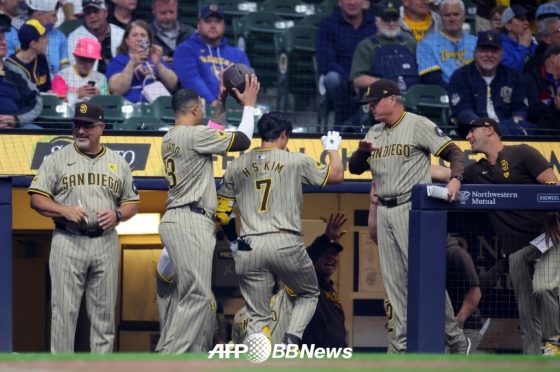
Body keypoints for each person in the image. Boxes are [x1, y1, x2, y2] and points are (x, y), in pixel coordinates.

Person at [348, 78, 468, 354]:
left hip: (411, 209)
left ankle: (455, 339)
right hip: (385, 210)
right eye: (368, 104)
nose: (370, 108)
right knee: (393, 284)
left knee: (426, 278)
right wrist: (360, 152)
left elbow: (454, 152)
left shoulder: (417, 124)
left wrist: (456, 179)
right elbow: (354, 169)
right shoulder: (374, 131)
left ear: (393, 99)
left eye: (374, 102)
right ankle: (400, 346)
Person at [216, 112, 344, 348]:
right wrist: (333, 149)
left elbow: (222, 213)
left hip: (248, 244)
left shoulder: (235, 165)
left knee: (257, 315)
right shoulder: (295, 160)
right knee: (308, 293)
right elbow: (337, 175)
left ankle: (260, 354)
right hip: (284, 241)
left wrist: (235, 244)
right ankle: (291, 340)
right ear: (284, 134)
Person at [157, 71, 260, 353]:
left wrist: (221, 102)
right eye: (201, 107)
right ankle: (168, 358)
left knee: (192, 293)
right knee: (197, 294)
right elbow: (241, 141)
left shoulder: (172, 136)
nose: (203, 111)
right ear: (193, 109)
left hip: (179, 217)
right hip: (190, 219)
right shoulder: (193, 135)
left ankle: (168, 353)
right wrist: (249, 105)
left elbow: (213, 130)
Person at [28, 101, 140, 353]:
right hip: (68, 239)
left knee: (104, 317)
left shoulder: (118, 162)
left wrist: (118, 214)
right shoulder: (56, 159)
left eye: (87, 126)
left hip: (106, 241)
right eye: (77, 125)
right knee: (63, 315)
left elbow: (132, 203)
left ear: (102, 127)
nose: (81, 131)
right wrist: (63, 210)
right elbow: (36, 199)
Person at [448, 117, 560, 356]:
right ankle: (532, 356)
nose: (467, 137)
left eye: (471, 131)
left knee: (544, 287)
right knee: (526, 309)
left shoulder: (522, 153)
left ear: (489, 130)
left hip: (549, 238)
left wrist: (553, 215)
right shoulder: (476, 171)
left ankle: (554, 344)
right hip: (517, 250)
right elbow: (442, 173)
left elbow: (552, 183)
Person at [230, 212, 349, 348]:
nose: (330, 258)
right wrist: (325, 238)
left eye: (334, 254)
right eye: (325, 253)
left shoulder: (331, 291)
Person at [448, 30, 534, 136]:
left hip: (508, 133)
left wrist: (508, 127)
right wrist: (487, 129)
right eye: (484, 50)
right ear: (475, 52)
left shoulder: (513, 76)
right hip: (475, 132)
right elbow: (464, 113)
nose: (489, 55)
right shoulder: (461, 76)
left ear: (501, 54)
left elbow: (520, 110)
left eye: (494, 51)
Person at [172, 4, 250, 106]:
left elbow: (247, 83)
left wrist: (233, 105)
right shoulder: (185, 49)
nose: (213, 25)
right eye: (208, 21)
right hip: (199, 109)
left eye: (217, 21)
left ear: (224, 26)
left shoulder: (238, 55)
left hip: (234, 110)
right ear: (198, 25)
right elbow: (191, 80)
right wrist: (213, 103)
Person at [316, 0, 376, 131]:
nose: (353, 2)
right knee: (331, 78)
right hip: (343, 83)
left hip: (370, 80)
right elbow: (326, 62)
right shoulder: (327, 25)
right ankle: (349, 124)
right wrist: (352, 80)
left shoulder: (375, 24)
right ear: (339, 1)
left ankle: (347, 126)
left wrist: (363, 81)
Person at [350, 2, 418, 93]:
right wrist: (384, 83)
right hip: (382, 96)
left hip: (414, 97)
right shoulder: (366, 45)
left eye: (395, 19)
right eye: (386, 20)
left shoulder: (410, 42)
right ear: (377, 22)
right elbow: (357, 79)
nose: (391, 23)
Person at [106, 20, 177, 103]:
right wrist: (132, 63)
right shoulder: (118, 60)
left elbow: (173, 84)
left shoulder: (156, 58)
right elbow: (117, 90)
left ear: (149, 40)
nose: (139, 39)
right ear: (127, 40)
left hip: (159, 106)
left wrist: (158, 64)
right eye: (134, 35)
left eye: (143, 35)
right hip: (129, 106)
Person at [417, 0, 477, 90]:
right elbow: (432, 80)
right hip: (445, 97)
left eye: (456, 14)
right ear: (440, 17)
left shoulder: (476, 42)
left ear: (464, 16)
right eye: (447, 15)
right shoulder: (426, 44)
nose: (452, 19)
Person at [0, 13, 42, 129]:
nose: (3, 42)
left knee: (35, 130)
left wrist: (16, 119)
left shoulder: (15, 71)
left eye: (3, 38)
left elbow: (36, 101)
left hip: (14, 128)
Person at [6, 0, 69, 76]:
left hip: (53, 85)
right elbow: (7, 68)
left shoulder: (59, 36)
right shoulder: (9, 34)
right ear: (39, 15)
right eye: (53, 15)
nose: (56, 20)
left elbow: (65, 71)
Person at [67, 0, 125, 74]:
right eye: (88, 13)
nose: (92, 16)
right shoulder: (75, 37)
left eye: (96, 11)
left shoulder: (121, 34)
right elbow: (76, 71)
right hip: (89, 83)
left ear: (106, 13)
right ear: (84, 16)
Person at [51, 37, 108, 101]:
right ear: (75, 56)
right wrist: (76, 94)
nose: (87, 64)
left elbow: (108, 106)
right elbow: (56, 104)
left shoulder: (101, 78)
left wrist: (99, 96)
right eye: (83, 59)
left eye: (91, 60)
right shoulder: (62, 76)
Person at [6, 19, 51, 92]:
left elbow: (48, 88)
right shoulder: (10, 66)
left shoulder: (41, 58)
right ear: (33, 44)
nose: (48, 40)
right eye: (44, 37)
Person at [524, 44, 560, 135]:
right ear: (553, 58)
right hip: (539, 130)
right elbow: (533, 109)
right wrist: (554, 103)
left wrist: (548, 101)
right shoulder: (531, 78)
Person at [149, 0, 194, 65]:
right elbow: (138, 62)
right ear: (153, 10)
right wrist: (156, 62)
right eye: (163, 13)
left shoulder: (190, 33)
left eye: (171, 12)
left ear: (177, 7)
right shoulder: (145, 34)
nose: (168, 17)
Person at [500, 5, 537, 73]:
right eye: (521, 19)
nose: (527, 23)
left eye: (526, 19)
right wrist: (522, 47)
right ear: (508, 25)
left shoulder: (533, 45)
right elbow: (507, 72)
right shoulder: (500, 46)